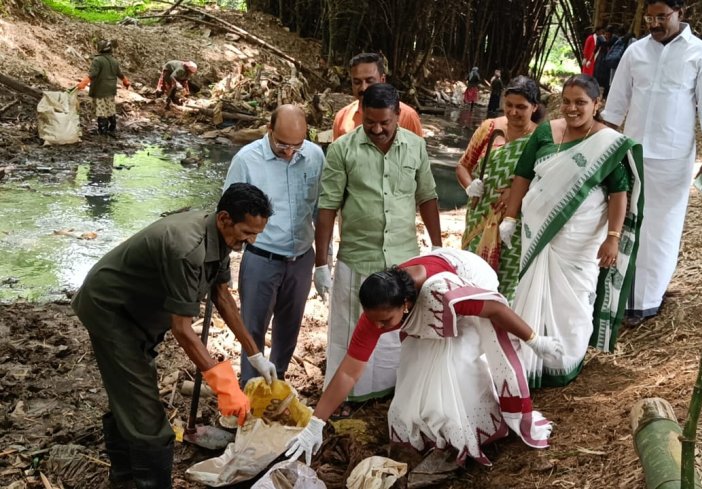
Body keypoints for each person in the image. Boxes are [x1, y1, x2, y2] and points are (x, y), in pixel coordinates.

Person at [71, 183, 279, 488]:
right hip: (112, 312)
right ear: (224, 218)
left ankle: (123, 479)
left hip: (139, 314)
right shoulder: (187, 248)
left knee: (131, 399)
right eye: (247, 232)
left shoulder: (221, 237)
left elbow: (221, 296)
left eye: (257, 232)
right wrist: (224, 385)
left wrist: (255, 354)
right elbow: (182, 329)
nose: (252, 240)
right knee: (150, 424)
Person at [285, 248, 561, 466]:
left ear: (405, 305)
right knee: (415, 369)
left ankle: (469, 435)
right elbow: (349, 371)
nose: (379, 328)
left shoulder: (444, 294)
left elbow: (496, 310)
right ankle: (429, 436)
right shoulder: (377, 313)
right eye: (374, 322)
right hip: (429, 292)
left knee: (453, 367)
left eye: (385, 322)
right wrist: (316, 423)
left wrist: (535, 340)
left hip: (468, 279)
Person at [499, 74, 643, 387]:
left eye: (581, 102)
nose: (572, 108)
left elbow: (619, 193)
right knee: (530, 291)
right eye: (566, 101)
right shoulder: (547, 132)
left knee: (575, 300)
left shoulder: (607, 143)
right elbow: (523, 176)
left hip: (581, 238)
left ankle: (564, 363)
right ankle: (528, 359)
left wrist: (613, 238)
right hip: (537, 232)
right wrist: (509, 218)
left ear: (597, 103)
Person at [315, 83, 442, 405]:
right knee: (349, 331)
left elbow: (426, 196)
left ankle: (389, 393)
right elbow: (328, 206)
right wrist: (321, 262)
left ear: (399, 115)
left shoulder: (415, 146)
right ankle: (348, 398)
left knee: (396, 333)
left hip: (403, 258)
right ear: (360, 116)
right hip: (358, 257)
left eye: (385, 122)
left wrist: (439, 248)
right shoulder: (342, 149)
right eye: (369, 122)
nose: (377, 129)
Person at [601, 0, 702, 326]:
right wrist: (603, 151)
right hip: (631, 152)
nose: (655, 23)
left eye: (662, 17)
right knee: (625, 223)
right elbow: (615, 107)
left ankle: (646, 302)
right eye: (650, 17)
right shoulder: (635, 52)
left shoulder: (701, 52)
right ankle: (617, 297)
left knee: (661, 230)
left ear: (680, 12)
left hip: (673, 157)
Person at [222, 105, 324, 386]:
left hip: (301, 256)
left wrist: (323, 262)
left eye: (296, 145)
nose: (290, 152)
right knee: (252, 328)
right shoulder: (247, 160)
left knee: (289, 328)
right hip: (261, 257)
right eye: (282, 144)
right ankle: (251, 390)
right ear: (269, 131)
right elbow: (226, 213)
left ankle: (275, 383)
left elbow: (319, 206)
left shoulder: (314, 156)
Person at [456, 76, 542, 301]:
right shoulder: (490, 128)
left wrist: (517, 192)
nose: (513, 112)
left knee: (505, 287)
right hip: (479, 216)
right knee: (471, 278)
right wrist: (469, 186)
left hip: (513, 224)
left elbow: (545, 183)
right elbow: (463, 166)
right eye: (509, 105)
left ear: (534, 107)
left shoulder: (540, 140)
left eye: (521, 107)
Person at [332, 52, 423, 140]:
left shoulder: (407, 116)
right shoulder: (342, 117)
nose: (363, 88)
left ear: (382, 80)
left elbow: (417, 152)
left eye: (369, 81)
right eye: (357, 82)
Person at [75, 39, 131, 136]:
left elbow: (93, 74)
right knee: (110, 108)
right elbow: (120, 74)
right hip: (111, 89)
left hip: (100, 90)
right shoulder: (114, 61)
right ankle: (112, 127)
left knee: (101, 110)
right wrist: (126, 82)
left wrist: (83, 83)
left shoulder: (97, 60)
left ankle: (103, 131)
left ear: (100, 49)